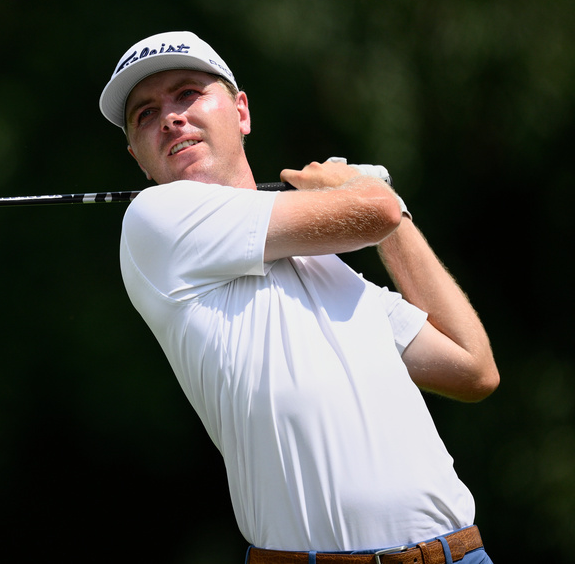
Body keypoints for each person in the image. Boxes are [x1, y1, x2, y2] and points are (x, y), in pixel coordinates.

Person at [98, 31, 499, 563]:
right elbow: (374, 212)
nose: (170, 117)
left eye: (188, 93)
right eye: (146, 114)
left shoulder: (329, 268)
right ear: (138, 158)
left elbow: (473, 370)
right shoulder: (155, 221)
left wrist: (392, 219)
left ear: (241, 111)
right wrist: (360, 191)